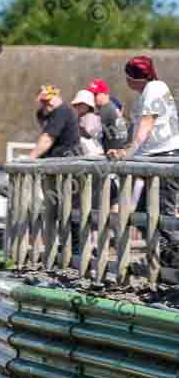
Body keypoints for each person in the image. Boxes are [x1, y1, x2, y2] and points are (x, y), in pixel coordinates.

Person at [107, 56, 179, 268]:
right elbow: (138, 130)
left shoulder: (155, 88)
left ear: (133, 78)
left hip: (164, 158)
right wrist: (125, 150)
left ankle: (172, 263)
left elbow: (146, 124)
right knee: (144, 215)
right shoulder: (147, 92)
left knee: (162, 215)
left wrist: (128, 152)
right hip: (154, 159)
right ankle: (163, 261)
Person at [31, 85, 82, 257]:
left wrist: (31, 158)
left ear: (57, 97)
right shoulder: (49, 113)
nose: (47, 105)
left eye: (49, 101)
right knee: (57, 208)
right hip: (57, 165)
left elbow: (47, 139)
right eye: (43, 102)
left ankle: (75, 250)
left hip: (69, 166)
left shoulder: (61, 111)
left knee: (71, 208)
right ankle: (60, 246)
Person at [86, 79, 128, 154]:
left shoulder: (106, 110)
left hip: (112, 152)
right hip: (117, 150)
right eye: (92, 94)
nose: (93, 97)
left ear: (104, 93)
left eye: (95, 94)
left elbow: (92, 133)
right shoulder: (112, 106)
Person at [71, 89, 103, 156]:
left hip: (94, 153)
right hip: (83, 153)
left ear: (88, 105)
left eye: (80, 104)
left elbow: (89, 135)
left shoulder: (91, 117)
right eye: (76, 104)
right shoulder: (79, 118)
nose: (77, 106)